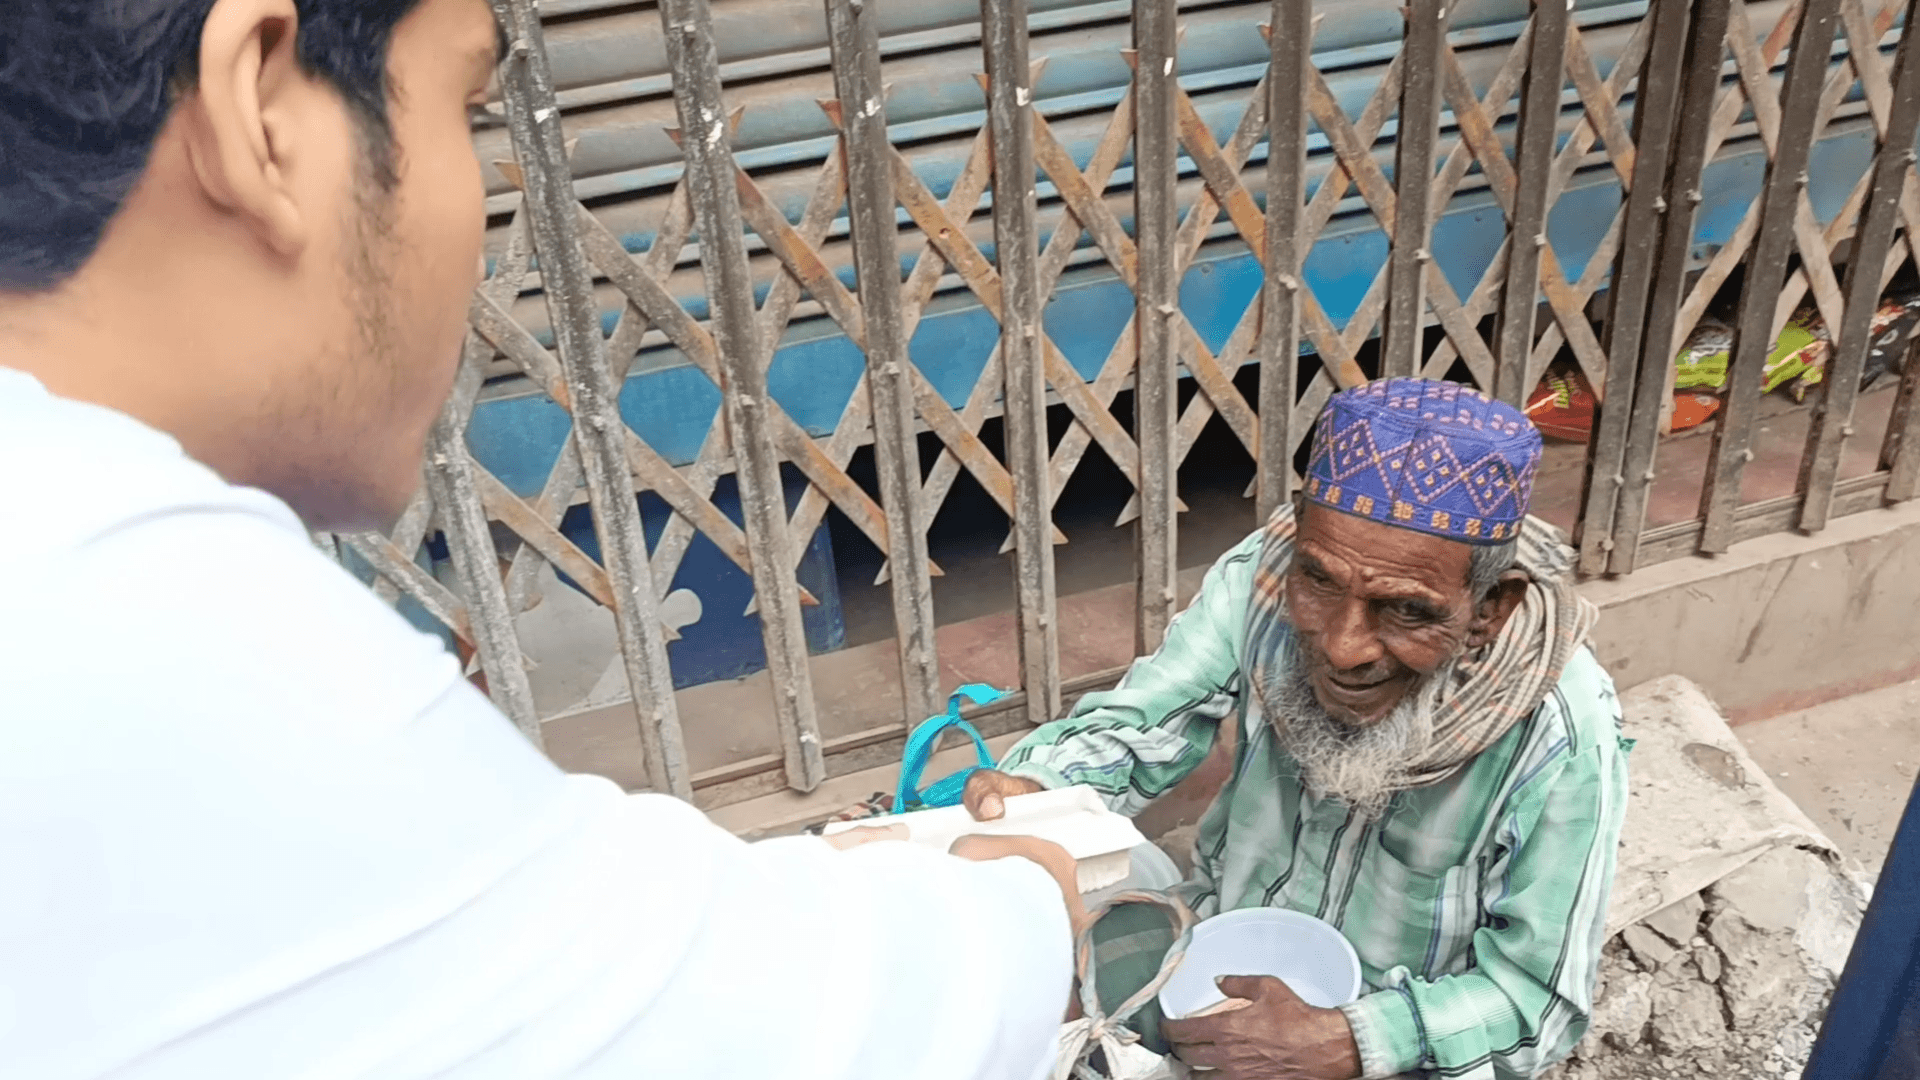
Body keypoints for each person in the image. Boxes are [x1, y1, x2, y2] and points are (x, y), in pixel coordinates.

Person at [0, 1, 1082, 1076]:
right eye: (466, 109)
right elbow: (769, 1021)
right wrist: (1028, 903)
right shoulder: (158, 625)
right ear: (262, 115)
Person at [965, 378, 1632, 1080]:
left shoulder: (1559, 728)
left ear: (1489, 609)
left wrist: (1350, 1041)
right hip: (1216, 953)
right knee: (1014, 966)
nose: (1343, 648)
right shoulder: (1265, 582)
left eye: (1405, 610)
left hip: (1396, 1052)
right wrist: (1041, 789)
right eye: (1319, 585)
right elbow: (1145, 722)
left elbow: (1537, 1003)